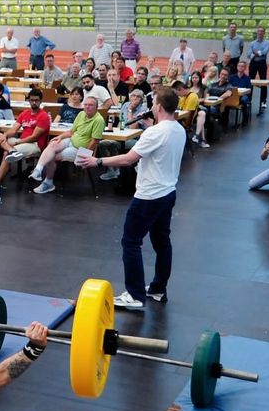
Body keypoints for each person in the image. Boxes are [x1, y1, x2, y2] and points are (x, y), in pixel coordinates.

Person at [74, 85, 185, 310]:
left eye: (154, 103)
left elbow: (128, 159)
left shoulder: (155, 132)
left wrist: (98, 162)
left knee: (130, 241)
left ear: (160, 107)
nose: (152, 106)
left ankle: (134, 295)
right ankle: (157, 289)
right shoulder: (178, 129)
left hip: (148, 196)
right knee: (162, 242)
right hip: (167, 193)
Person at [30, 96, 105, 195]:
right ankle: (38, 170)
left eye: (90, 105)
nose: (87, 107)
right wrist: (60, 137)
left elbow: (94, 142)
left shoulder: (99, 120)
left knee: (51, 156)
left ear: (96, 107)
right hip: (70, 140)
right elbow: (71, 132)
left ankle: (48, 183)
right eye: (85, 105)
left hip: (79, 149)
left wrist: (83, 156)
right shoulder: (81, 114)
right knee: (53, 144)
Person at [174, 81, 208, 148]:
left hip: (185, 121)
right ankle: (200, 138)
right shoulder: (183, 97)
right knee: (202, 114)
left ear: (181, 89)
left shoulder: (192, 96)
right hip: (183, 117)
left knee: (202, 114)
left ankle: (199, 138)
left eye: (177, 93)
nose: (177, 95)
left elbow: (188, 114)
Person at [248, 27, 269, 113]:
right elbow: (248, 54)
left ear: (264, 33)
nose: (260, 33)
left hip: (262, 63)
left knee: (263, 82)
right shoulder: (252, 43)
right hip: (253, 63)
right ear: (257, 32)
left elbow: (264, 52)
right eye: (259, 31)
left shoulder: (268, 43)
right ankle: (248, 99)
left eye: (262, 31)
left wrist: (255, 53)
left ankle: (263, 101)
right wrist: (257, 54)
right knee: (250, 81)